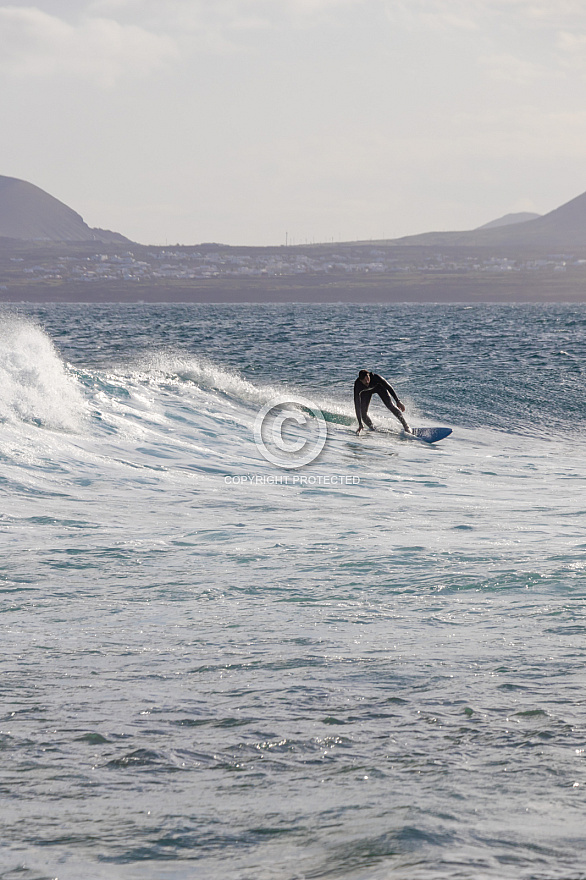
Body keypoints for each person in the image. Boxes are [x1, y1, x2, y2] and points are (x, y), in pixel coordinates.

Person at [354, 369, 411, 435]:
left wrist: (397, 401)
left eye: (368, 379)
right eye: (365, 381)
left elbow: (388, 387)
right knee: (363, 414)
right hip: (366, 392)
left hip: (379, 388)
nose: (367, 381)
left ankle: (406, 425)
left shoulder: (376, 377)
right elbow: (357, 404)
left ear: (369, 375)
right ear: (360, 380)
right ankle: (372, 428)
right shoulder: (358, 385)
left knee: (390, 406)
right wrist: (360, 423)